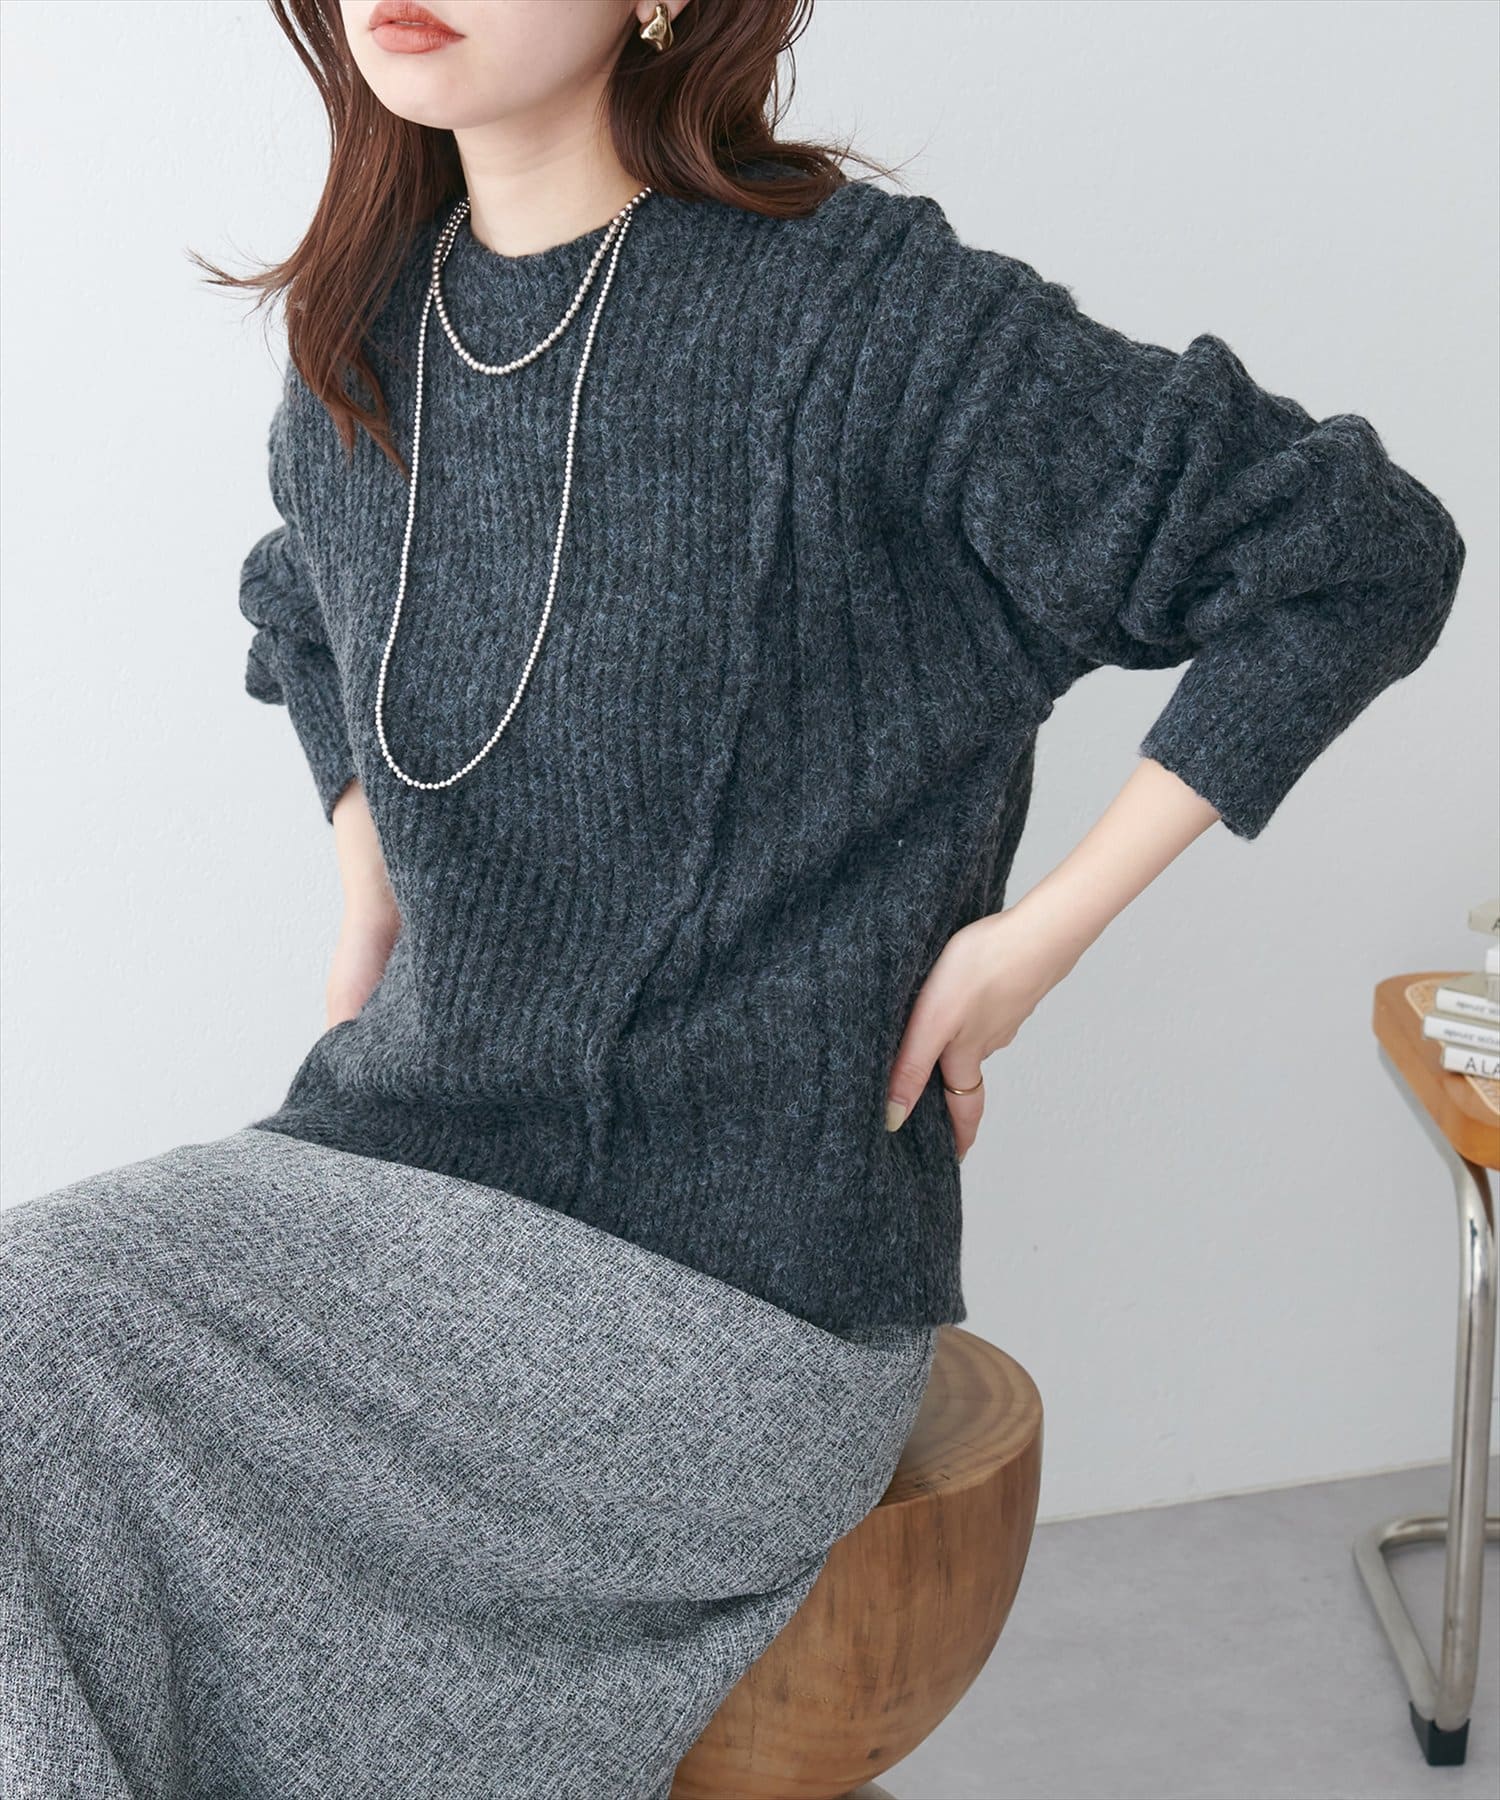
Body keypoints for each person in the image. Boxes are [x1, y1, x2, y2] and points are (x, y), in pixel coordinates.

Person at [0, 2, 1467, 1796]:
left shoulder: (863, 317)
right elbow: (302, 591)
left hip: (735, 1291)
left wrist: (1034, 946)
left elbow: (1349, 550)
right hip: (392, 1170)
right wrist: (365, 862)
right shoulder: (369, 332)